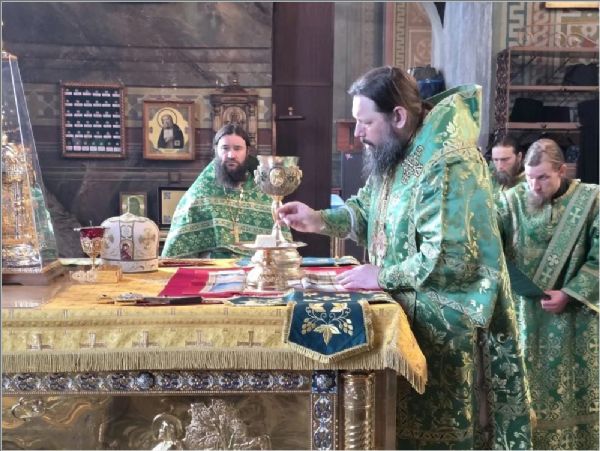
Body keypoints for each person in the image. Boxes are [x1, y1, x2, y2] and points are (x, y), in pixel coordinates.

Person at [277, 66, 532, 449]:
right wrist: (317, 220)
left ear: (398, 116)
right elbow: (366, 209)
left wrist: (382, 276)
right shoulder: (397, 150)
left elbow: (450, 257)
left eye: (366, 122)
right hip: (408, 318)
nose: (358, 132)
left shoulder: (448, 163)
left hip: (449, 330)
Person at [496, 138, 599, 449]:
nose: (535, 186)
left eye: (543, 177)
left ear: (561, 171)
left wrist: (570, 292)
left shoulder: (592, 200)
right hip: (525, 318)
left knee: (575, 391)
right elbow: (487, 241)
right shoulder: (511, 201)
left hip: (576, 320)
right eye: (529, 177)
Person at [161, 123, 288, 258]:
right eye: (225, 148)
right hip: (213, 266)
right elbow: (178, 252)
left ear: (247, 151)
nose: (231, 155)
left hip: (257, 265)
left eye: (237, 148)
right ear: (216, 150)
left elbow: (281, 243)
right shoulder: (201, 191)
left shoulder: (263, 192)